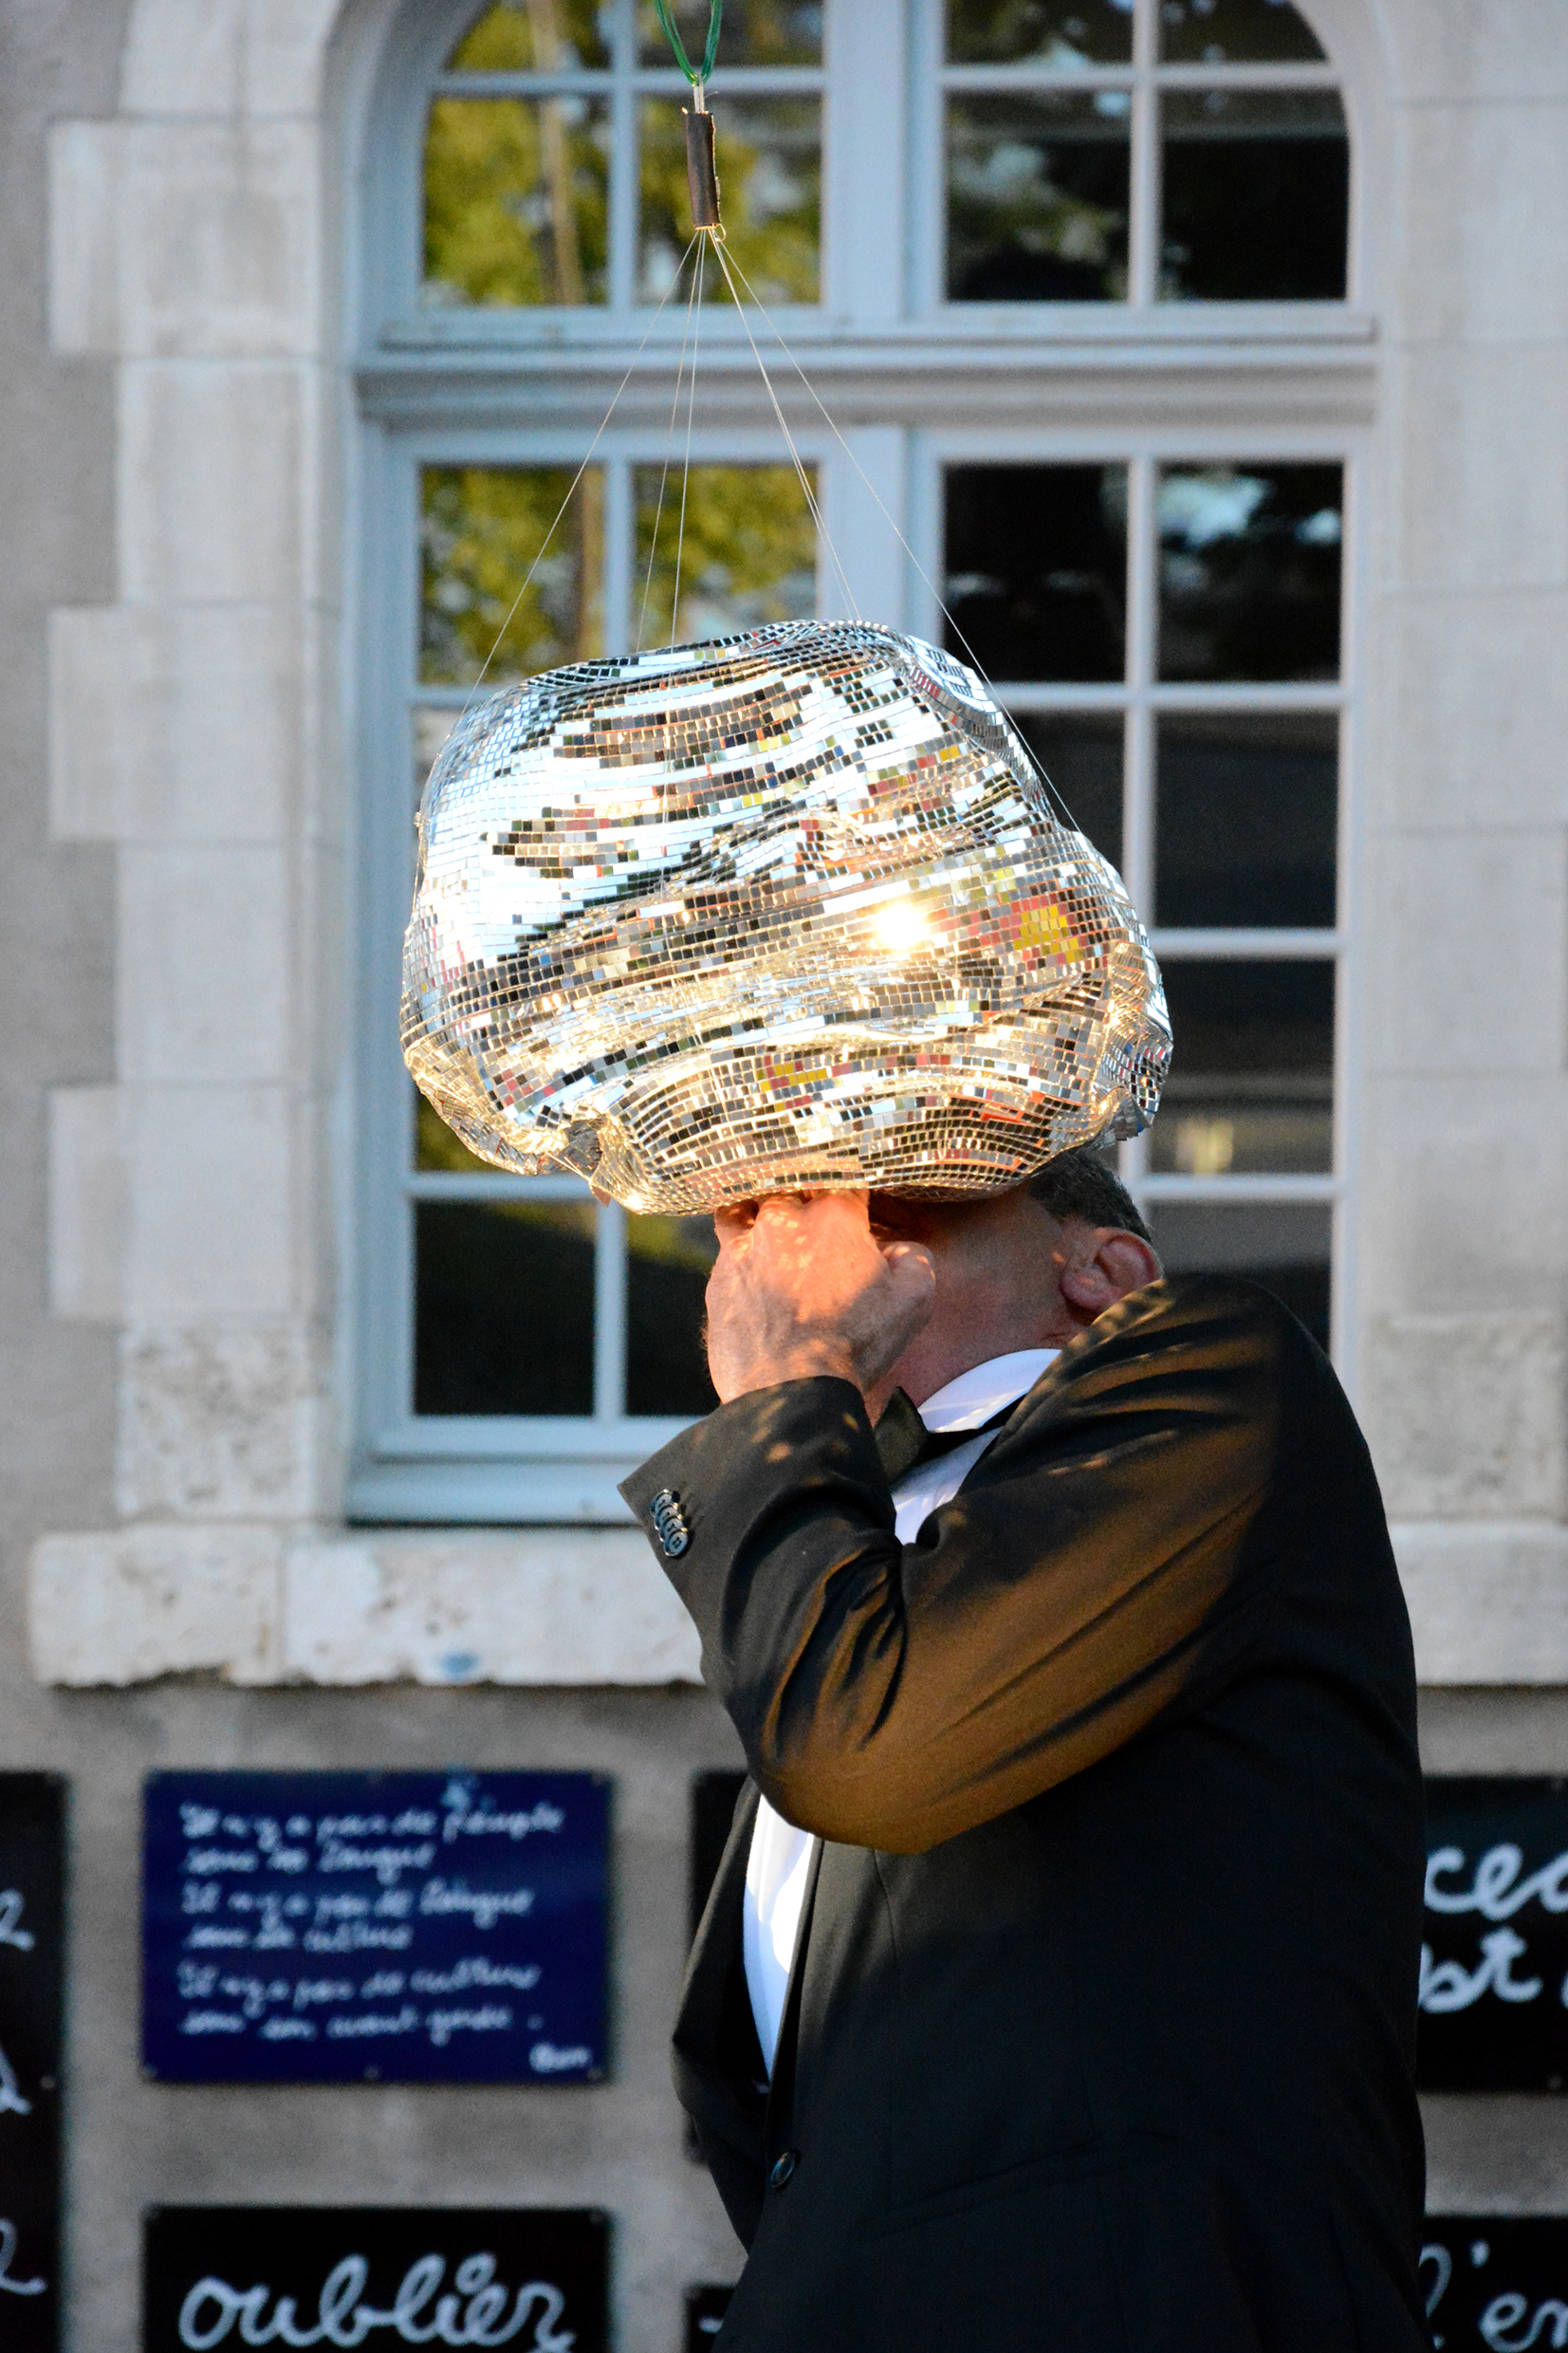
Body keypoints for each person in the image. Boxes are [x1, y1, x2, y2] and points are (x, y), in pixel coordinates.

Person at [622, 1147, 1429, 2352]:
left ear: (1106, 1271)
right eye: (757, 1223)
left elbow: (863, 1748)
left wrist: (789, 1389)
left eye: (893, 1204)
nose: (802, 1248)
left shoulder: (1213, 1368)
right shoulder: (839, 1553)